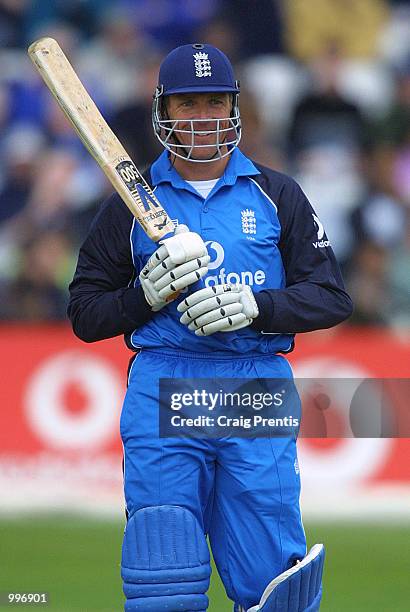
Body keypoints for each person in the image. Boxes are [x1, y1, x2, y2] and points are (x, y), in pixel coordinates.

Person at [68, 43, 352, 612]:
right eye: (187, 103)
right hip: (165, 385)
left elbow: (330, 298)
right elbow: (85, 313)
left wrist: (257, 307)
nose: (202, 116)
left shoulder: (276, 195)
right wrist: (143, 296)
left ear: (234, 108)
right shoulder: (128, 207)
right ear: (163, 112)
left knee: (272, 583)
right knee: (163, 573)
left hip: (253, 386)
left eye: (214, 102)